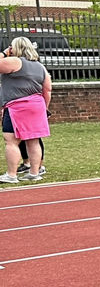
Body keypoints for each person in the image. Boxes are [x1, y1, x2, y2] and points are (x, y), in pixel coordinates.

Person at [1, 37, 52, 183]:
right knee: (33, 140)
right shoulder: (40, 66)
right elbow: (47, 89)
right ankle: (34, 172)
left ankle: (11, 174)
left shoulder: (15, 61)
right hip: (37, 104)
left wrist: (4, 53)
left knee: (11, 141)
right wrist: (45, 108)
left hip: (17, 106)